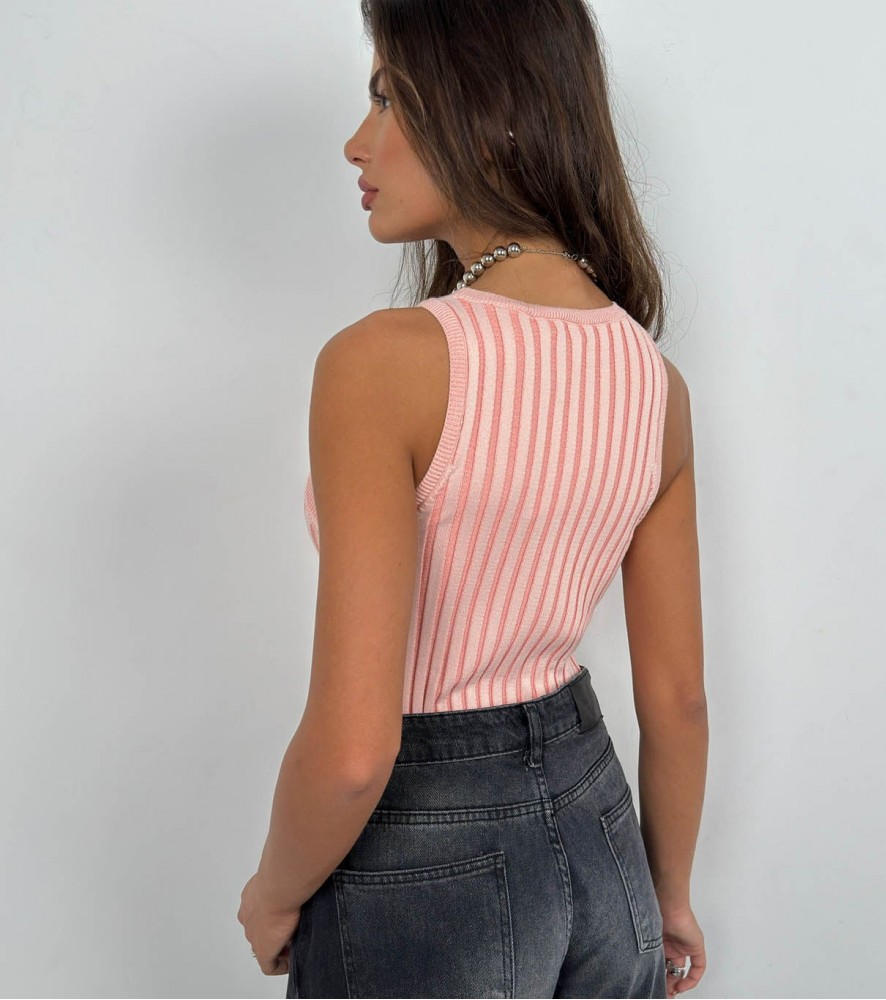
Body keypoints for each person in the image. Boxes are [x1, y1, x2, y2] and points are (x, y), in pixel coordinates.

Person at [237, 2, 708, 997]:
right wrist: (667, 895)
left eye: (385, 98)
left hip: (427, 844)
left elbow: (355, 749)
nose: (356, 141)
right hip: (602, 833)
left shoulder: (382, 364)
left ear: (486, 113)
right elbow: (678, 701)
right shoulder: (652, 381)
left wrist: (274, 893)